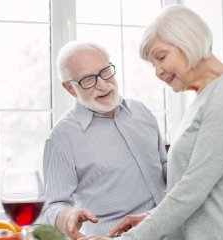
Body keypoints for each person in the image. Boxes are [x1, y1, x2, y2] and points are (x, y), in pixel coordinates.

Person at [78, 4, 223, 240]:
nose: (157, 71)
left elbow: (192, 188)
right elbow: (199, 194)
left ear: (189, 41)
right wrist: (151, 216)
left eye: (161, 57)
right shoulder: (201, 99)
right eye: (152, 64)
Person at [41, 41, 167, 239]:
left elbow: (165, 165)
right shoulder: (62, 137)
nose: (102, 84)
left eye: (105, 72)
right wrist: (67, 216)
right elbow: (52, 206)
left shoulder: (141, 111)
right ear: (70, 88)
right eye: (88, 80)